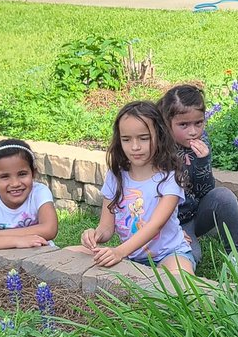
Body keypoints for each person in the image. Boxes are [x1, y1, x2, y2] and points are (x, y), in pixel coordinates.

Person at [77, 101, 194, 275]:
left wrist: (119, 252)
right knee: (67, 255)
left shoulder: (170, 177)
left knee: (181, 282)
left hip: (168, 254)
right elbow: (107, 227)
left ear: (160, 136)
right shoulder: (116, 175)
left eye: (144, 138)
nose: (135, 147)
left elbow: (155, 225)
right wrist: (95, 235)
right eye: (126, 139)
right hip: (130, 255)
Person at [157, 85, 238, 270]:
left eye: (198, 123)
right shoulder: (157, 150)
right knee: (193, 256)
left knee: (223, 196)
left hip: (192, 215)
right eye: (184, 125)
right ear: (167, 122)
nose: (193, 131)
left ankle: (237, 255)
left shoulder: (202, 143)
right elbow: (152, 196)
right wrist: (171, 230)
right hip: (164, 220)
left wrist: (202, 162)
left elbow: (205, 191)